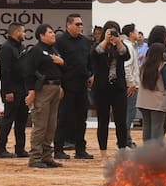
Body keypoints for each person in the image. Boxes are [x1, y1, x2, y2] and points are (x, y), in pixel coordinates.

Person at [21, 23, 65, 168]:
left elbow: (60, 69)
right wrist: (31, 91)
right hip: (43, 89)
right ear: (42, 35)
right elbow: (28, 72)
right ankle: (35, 157)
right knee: (40, 124)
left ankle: (47, 156)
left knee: (51, 125)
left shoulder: (54, 50)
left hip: (55, 87)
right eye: (50, 32)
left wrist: (62, 62)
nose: (53, 34)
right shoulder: (36, 51)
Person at [53, 14, 94, 160]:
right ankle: (58, 149)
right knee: (63, 118)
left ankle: (80, 149)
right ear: (68, 25)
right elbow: (55, 65)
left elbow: (89, 61)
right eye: (77, 24)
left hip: (82, 85)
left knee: (81, 119)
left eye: (81, 24)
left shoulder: (85, 41)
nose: (80, 27)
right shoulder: (60, 42)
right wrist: (59, 85)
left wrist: (91, 74)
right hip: (66, 85)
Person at [91, 21, 132, 154]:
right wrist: (105, 40)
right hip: (101, 89)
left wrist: (118, 41)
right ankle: (103, 152)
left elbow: (126, 55)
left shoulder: (120, 46)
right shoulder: (99, 46)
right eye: (110, 32)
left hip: (118, 88)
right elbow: (94, 55)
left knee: (121, 121)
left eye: (115, 32)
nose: (112, 35)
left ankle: (122, 149)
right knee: (103, 121)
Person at [0, 23, 29, 159]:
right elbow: (5, 71)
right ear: (16, 32)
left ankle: (20, 148)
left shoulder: (22, 47)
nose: (25, 34)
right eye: (23, 32)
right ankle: (0, 148)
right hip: (12, 90)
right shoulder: (6, 48)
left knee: (22, 120)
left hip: (23, 89)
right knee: (8, 119)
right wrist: (7, 91)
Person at [136, 25, 166, 142]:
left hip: (143, 101)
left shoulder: (143, 67)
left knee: (146, 127)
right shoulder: (163, 67)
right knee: (157, 128)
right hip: (157, 102)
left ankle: (147, 153)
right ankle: (155, 154)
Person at [120, 23, 141, 148]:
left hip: (131, 84)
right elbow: (127, 67)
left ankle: (126, 138)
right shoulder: (128, 46)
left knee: (129, 113)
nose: (137, 33)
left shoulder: (131, 46)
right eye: (135, 31)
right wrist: (131, 83)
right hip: (130, 86)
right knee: (129, 113)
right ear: (130, 34)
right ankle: (125, 140)